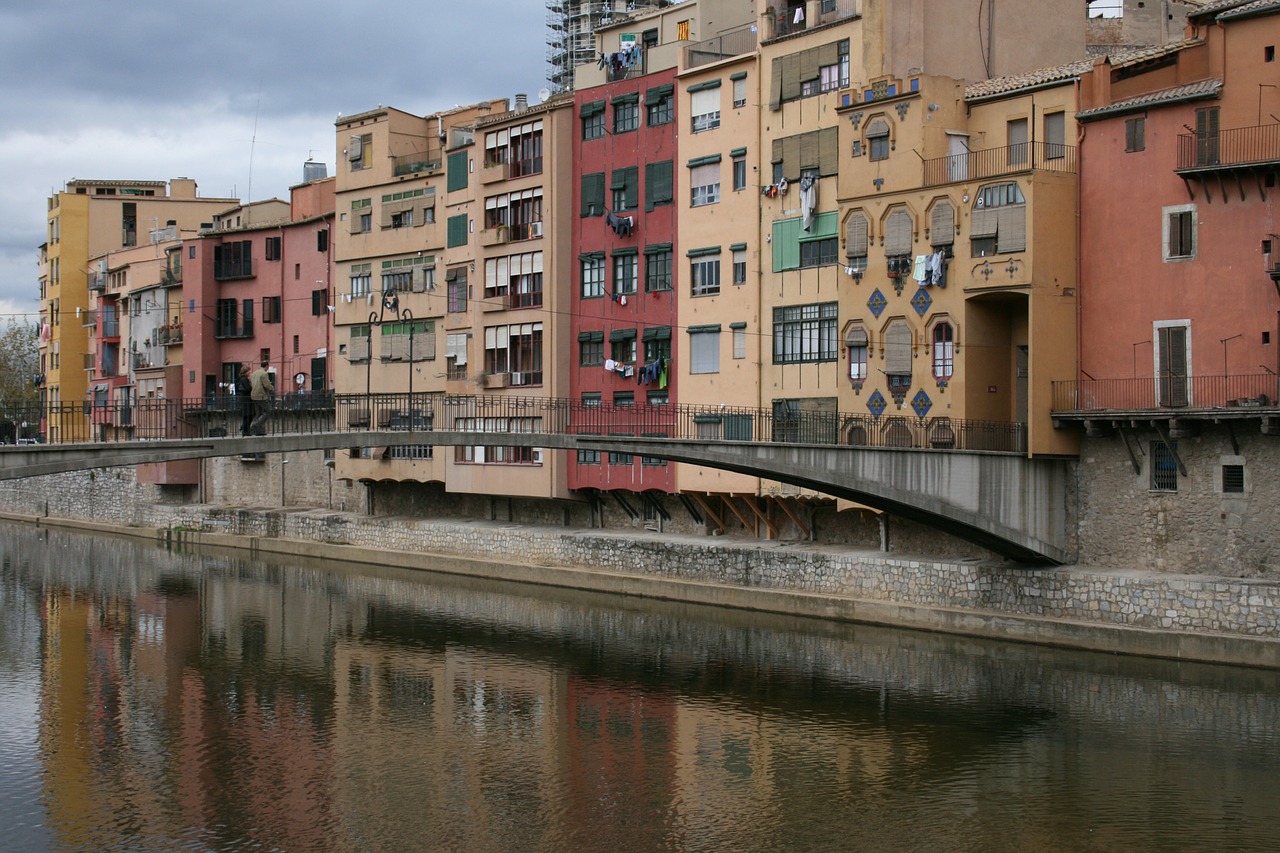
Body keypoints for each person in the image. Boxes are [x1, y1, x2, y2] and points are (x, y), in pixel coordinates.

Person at [249, 361, 275, 436]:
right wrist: (272, 388)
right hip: (261, 395)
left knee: (258, 413)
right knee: (268, 411)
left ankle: (257, 430)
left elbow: (251, 384)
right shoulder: (264, 374)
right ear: (267, 366)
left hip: (253, 395)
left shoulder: (253, 374)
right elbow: (267, 385)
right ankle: (256, 425)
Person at [235, 365, 254, 436]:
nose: (250, 372)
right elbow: (247, 388)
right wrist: (252, 386)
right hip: (246, 399)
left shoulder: (241, 379)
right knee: (249, 415)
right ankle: (245, 430)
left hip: (243, 399)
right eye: (249, 371)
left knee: (246, 415)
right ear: (246, 372)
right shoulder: (245, 379)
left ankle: (244, 429)